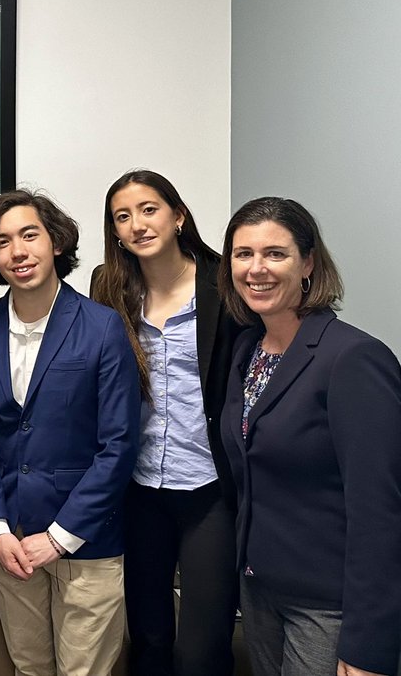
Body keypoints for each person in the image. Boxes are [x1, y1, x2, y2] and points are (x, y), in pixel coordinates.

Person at [0, 190, 140, 676]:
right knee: (29, 667)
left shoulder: (102, 328)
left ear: (55, 241)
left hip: (87, 541)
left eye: (29, 235)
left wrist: (60, 537)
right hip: (11, 540)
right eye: (3, 242)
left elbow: (119, 445)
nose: (18, 251)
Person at [218, 197, 401, 676]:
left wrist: (368, 646)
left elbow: (379, 512)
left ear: (308, 264)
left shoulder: (353, 359)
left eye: (275, 253)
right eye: (243, 254)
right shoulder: (246, 351)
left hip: (328, 606)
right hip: (259, 591)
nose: (257, 268)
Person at [90, 170, 241, 675]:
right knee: (149, 636)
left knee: (203, 644)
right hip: (138, 488)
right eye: (123, 216)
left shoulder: (224, 285)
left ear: (178, 216)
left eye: (149, 209)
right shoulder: (108, 288)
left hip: (209, 488)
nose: (137, 224)